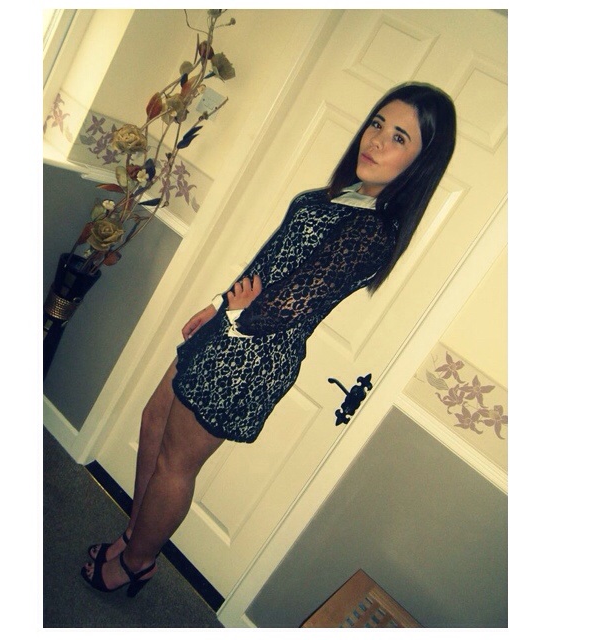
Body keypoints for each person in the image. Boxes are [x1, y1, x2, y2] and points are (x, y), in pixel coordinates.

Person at [81, 81, 457, 596]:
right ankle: (134, 534)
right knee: (153, 422)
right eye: (377, 123)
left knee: (176, 463)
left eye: (398, 137)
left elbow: (296, 301)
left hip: (252, 358)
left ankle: (136, 562)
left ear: (419, 163)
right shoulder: (341, 195)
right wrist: (218, 305)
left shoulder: (373, 231)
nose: (375, 140)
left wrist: (237, 317)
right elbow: (271, 263)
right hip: (229, 328)